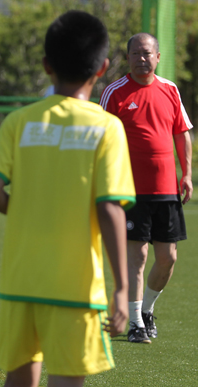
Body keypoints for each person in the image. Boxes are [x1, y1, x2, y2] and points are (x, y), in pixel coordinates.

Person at [0, 11, 134, 387]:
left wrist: (29, 211)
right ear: (103, 68)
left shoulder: (19, 121)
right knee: (66, 380)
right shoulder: (106, 127)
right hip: (76, 286)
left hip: (21, 282)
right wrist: (122, 288)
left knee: (18, 378)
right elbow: (109, 206)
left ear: (47, 65)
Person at [100, 33, 193, 344]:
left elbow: (181, 134)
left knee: (168, 257)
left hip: (167, 189)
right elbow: (102, 139)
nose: (142, 58)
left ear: (158, 57)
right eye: (136, 53)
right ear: (128, 58)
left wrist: (187, 174)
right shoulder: (114, 93)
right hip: (129, 190)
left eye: (148, 53)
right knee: (137, 256)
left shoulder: (170, 90)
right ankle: (136, 323)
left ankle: (147, 310)